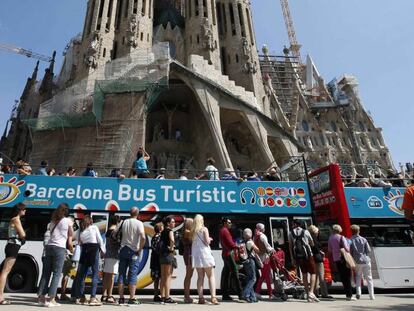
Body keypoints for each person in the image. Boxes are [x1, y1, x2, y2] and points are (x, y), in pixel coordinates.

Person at [38, 203, 74, 307]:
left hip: (49, 247)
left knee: (46, 273)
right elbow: (70, 236)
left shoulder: (52, 221)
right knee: (57, 273)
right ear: (66, 211)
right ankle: (51, 299)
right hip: (59, 248)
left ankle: (41, 298)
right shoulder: (68, 221)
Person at [115, 207, 146, 305]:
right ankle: (132, 298)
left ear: (129, 213)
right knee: (132, 274)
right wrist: (140, 249)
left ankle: (121, 298)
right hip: (133, 251)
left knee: (121, 274)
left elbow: (115, 233)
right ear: (138, 214)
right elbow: (143, 237)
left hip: (123, 249)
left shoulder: (123, 222)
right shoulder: (139, 223)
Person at [74, 215, 105, 306]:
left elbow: (78, 241)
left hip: (84, 250)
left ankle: (80, 297)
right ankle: (92, 298)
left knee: (82, 275)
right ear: (90, 221)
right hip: (93, 250)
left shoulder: (80, 230)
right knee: (95, 274)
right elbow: (99, 239)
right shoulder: (94, 227)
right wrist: (103, 251)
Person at [0, 203, 26, 305]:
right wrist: (23, 236)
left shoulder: (14, 219)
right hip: (13, 246)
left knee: (5, 271)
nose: (25, 211)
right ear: (19, 210)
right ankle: (0, 297)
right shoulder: (16, 219)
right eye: (24, 209)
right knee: (5, 271)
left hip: (11, 246)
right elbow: (23, 234)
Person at [191, 215, 219, 305]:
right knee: (210, 276)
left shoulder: (192, 231)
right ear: (201, 221)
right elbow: (207, 241)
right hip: (205, 255)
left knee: (200, 277)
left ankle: (201, 298)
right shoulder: (204, 229)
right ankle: (213, 297)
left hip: (197, 256)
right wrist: (210, 239)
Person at [289, 220, 319, 302]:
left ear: (295, 224)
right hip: (308, 255)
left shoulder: (290, 233)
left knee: (304, 274)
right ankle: (311, 292)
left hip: (298, 257)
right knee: (313, 273)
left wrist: (292, 258)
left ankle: (307, 293)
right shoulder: (306, 232)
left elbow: (290, 246)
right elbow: (312, 243)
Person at [328, 224, 355, 301]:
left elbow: (330, 250)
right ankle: (349, 295)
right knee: (347, 276)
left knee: (343, 277)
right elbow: (347, 249)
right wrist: (348, 244)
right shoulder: (342, 237)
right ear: (339, 230)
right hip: (344, 258)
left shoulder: (330, 238)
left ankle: (347, 294)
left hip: (336, 259)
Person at [219, 217, 242, 301]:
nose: (230, 224)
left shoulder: (222, 230)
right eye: (229, 222)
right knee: (235, 273)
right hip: (228, 254)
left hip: (225, 254)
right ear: (225, 223)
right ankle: (241, 294)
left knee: (226, 275)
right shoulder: (225, 231)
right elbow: (230, 244)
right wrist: (237, 246)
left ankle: (225, 294)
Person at [350, 225, 375, 300]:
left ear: (351, 231)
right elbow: (369, 250)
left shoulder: (350, 240)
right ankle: (371, 296)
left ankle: (358, 293)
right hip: (366, 260)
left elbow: (350, 251)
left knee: (358, 276)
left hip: (357, 261)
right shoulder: (364, 239)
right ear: (359, 231)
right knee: (369, 278)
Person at [101, 215, 121, 304]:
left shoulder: (108, 231)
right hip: (114, 255)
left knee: (107, 276)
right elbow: (117, 243)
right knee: (112, 276)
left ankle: (104, 294)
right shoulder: (115, 232)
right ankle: (110, 295)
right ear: (117, 222)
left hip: (108, 255)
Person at [308, 225, 331, 299]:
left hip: (312, 258)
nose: (318, 233)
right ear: (315, 232)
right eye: (317, 231)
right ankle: (324, 293)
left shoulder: (309, 238)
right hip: (318, 259)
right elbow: (317, 249)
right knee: (321, 276)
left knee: (316, 276)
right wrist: (322, 253)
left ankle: (315, 292)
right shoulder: (315, 239)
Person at [159, 216, 177, 304]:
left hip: (162, 255)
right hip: (168, 255)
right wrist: (171, 248)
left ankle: (162, 296)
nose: (174, 223)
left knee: (163, 276)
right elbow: (172, 240)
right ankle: (167, 297)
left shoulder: (162, 231)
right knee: (168, 277)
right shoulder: (170, 231)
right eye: (173, 222)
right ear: (168, 223)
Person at [254, 223, 274, 300]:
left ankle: (263, 292)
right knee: (266, 275)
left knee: (264, 276)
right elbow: (267, 246)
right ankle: (268, 293)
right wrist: (273, 250)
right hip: (265, 258)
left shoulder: (255, 236)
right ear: (262, 229)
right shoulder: (263, 236)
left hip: (259, 258)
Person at [59, 216, 76, 302]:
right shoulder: (69, 230)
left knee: (59, 274)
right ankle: (62, 293)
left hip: (61, 253)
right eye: (73, 222)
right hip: (67, 255)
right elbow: (69, 244)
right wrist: (73, 253)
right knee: (65, 275)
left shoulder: (62, 229)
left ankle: (58, 293)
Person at [242, 228, 260, 303]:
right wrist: (253, 242)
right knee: (253, 279)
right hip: (250, 261)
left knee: (250, 279)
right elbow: (257, 250)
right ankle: (245, 294)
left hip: (245, 262)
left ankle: (252, 297)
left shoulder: (244, 242)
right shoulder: (250, 242)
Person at [150, 222, 164, 302]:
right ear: (160, 228)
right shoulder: (160, 237)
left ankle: (156, 294)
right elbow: (159, 248)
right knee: (161, 276)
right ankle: (162, 294)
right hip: (158, 259)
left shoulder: (154, 236)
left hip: (154, 259)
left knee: (156, 278)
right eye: (162, 226)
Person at [182, 218, 194, 303]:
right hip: (189, 254)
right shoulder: (187, 232)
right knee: (188, 275)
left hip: (189, 253)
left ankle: (187, 295)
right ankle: (186, 296)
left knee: (189, 275)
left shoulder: (187, 232)